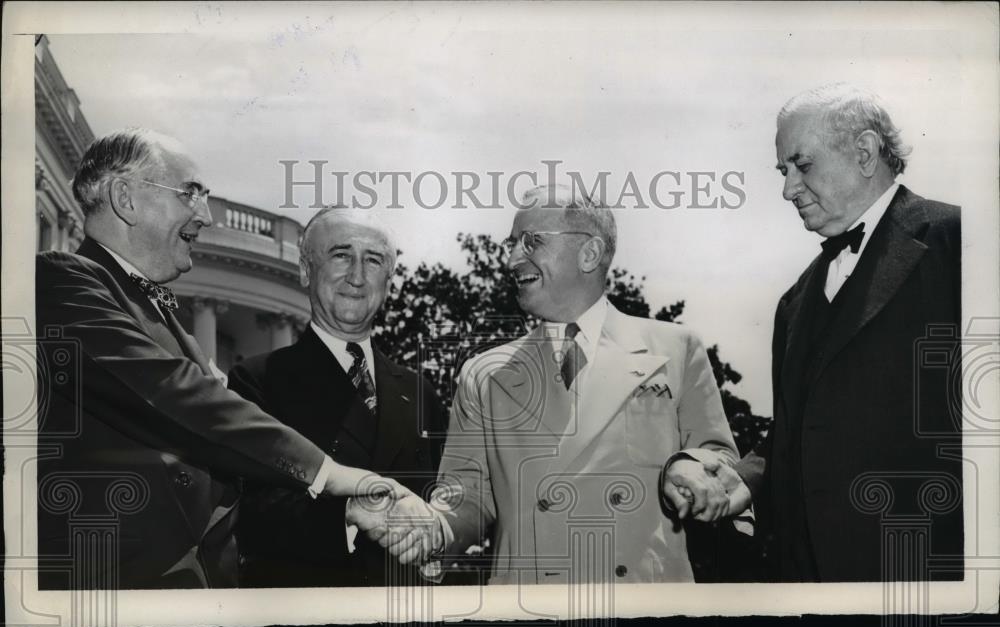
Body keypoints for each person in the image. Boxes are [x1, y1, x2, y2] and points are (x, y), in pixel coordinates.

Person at [36, 129, 405, 590]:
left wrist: (346, 510)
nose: (205, 216)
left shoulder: (163, 314)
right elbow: (180, 398)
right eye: (190, 194)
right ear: (125, 198)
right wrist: (330, 475)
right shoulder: (58, 281)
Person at [670, 83, 964, 582]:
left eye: (801, 166)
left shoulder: (960, 241)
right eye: (783, 172)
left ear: (865, 153)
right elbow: (793, 434)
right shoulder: (795, 299)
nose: (787, 189)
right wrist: (742, 481)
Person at [381, 183, 740, 584]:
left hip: (646, 611)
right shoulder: (483, 374)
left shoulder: (677, 349)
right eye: (512, 243)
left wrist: (693, 468)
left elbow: (720, 458)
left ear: (590, 253)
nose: (513, 258)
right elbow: (465, 499)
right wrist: (434, 530)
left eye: (531, 242)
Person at [227, 208, 447, 587]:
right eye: (341, 255)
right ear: (305, 271)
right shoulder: (257, 381)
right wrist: (347, 512)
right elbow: (245, 514)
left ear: (389, 281)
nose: (358, 276)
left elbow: (449, 500)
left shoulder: (419, 391)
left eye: (373, 260)